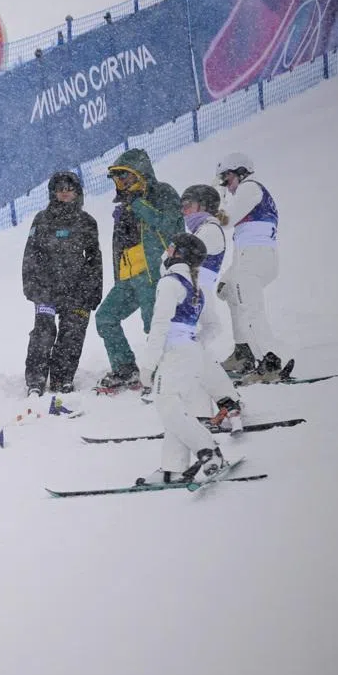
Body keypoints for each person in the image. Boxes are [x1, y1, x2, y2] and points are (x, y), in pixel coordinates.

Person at [135, 234, 231, 486]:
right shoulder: (197, 284)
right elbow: (213, 326)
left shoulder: (169, 283)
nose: (167, 251)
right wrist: (192, 343)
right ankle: (173, 468)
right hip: (190, 352)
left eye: (171, 247)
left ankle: (209, 451)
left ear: (177, 253)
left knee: (168, 407)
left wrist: (148, 364)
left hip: (175, 354)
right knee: (177, 410)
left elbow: (159, 325)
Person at [95, 149, 184, 393]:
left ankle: (167, 372)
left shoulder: (161, 192)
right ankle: (125, 369)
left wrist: (139, 204)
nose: (121, 183)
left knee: (153, 325)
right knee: (106, 317)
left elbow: (168, 224)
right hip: (128, 278)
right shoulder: (124, 205)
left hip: (153, 274)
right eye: (118, 178)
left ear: (140, 173)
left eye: (126, 177)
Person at [21, 171, 102, 396]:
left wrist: (94, 290)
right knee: (43, 332)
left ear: (77, 192)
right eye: (60, 189)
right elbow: (31, 254)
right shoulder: (42, 219)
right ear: (53, 193)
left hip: (77, 289)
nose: (65, 192)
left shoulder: (87, 222)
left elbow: (94, 258)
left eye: (69, 188)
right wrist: (31, 285)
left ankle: (62, 378)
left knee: (73, 333)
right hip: (46, 289)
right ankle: (36, 380)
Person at [214, 153, 284, 380]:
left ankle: (269, 361)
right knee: (228, 291)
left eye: (227, 179)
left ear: (241, 172)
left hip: (256, 257)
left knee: (251, 308)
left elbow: (226, 219)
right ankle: (243, 351)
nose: (226, 185)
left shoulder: (250, 187)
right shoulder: (246, 192)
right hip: (249, 256)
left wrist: (210, 210)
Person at [180, 185, 243, 427]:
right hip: (194, 294)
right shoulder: (203, 230)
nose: (184, 210)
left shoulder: (209, 229)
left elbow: (181, 259)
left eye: (189, 204)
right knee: (193, 352)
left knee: (190, 350)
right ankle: (227, 402)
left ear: (204, 206)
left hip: (196, 295)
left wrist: (172, 255)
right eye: (182, 205)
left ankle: (216, 407)